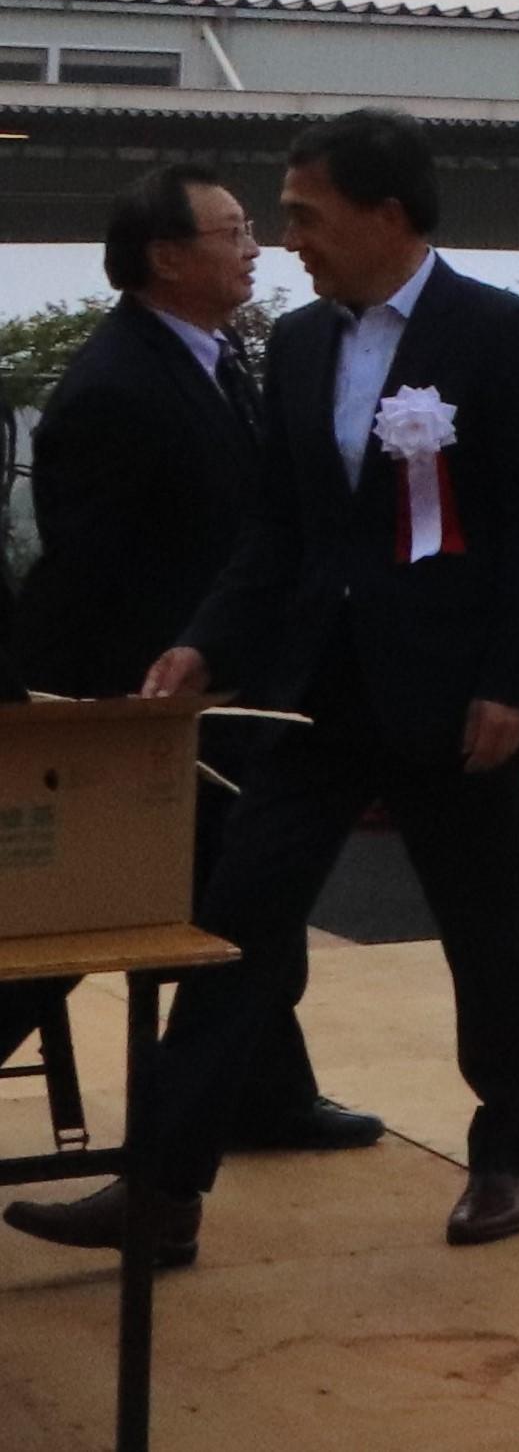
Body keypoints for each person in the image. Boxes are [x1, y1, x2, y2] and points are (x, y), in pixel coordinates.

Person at [14, 110, 519, 1267]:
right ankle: (163, 1187)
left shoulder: (500, 334)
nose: (288, 237)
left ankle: (507, 1151)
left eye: (307, 214)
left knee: (481, 930)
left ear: (386, 214)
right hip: (314, 692)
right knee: (235, 926)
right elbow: (279, 526)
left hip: (457, 693)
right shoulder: (306, 345)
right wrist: (207, 642)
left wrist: (512, 680)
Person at [0, 162, 376, 1152]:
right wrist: (127, 705)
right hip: (142, 711)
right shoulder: (117, 385)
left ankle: (264, 1093)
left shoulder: (216, 357)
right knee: (87, 923)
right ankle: (256, 1097)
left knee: (240, 910)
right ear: (168, 256)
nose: (256, 247)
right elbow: (92, 575)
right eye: (235, 229)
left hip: (220, 698)